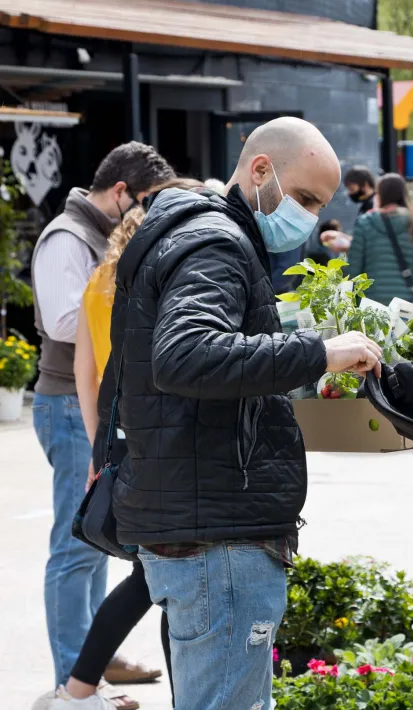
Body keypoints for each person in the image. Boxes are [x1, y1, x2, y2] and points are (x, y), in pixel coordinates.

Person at [108, 117, 384, 710]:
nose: (309, 218)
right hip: (219, 537)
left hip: (199, 518)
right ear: (260, 170)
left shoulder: (191, 233)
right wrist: (319, 353)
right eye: (305, 198)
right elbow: (184, 355)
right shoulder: (215, 242)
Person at [50, 178, 203, 710]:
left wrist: (99, 450)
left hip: (116, 434)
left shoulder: (99, 280)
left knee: (156, 573)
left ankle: (80, 687)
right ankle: (80, 688)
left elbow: (83, 369)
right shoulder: (165, 278)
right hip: (160, 435)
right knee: (159, 575)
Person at [30, 141, 175, 694]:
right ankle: (71, 678)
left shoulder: (99, 234)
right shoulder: (67, 237)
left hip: (89, 398)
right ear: (122, 193)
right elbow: (66, 319)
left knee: (97, 543)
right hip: (69, 399)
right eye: (146, 203)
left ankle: (93, 662)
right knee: (75, 546)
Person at [347, 172, 413, 306]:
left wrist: (353, 303)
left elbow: (354, 270)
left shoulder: (365, 223)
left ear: (380, 195)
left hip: (371, 305)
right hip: (408, 304)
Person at [317, 165, 377, 255]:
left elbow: (371, 241)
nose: (350, 193)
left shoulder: (374, 206)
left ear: (365, 184)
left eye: (352, 189)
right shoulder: (366, 206)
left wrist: (343, 240)